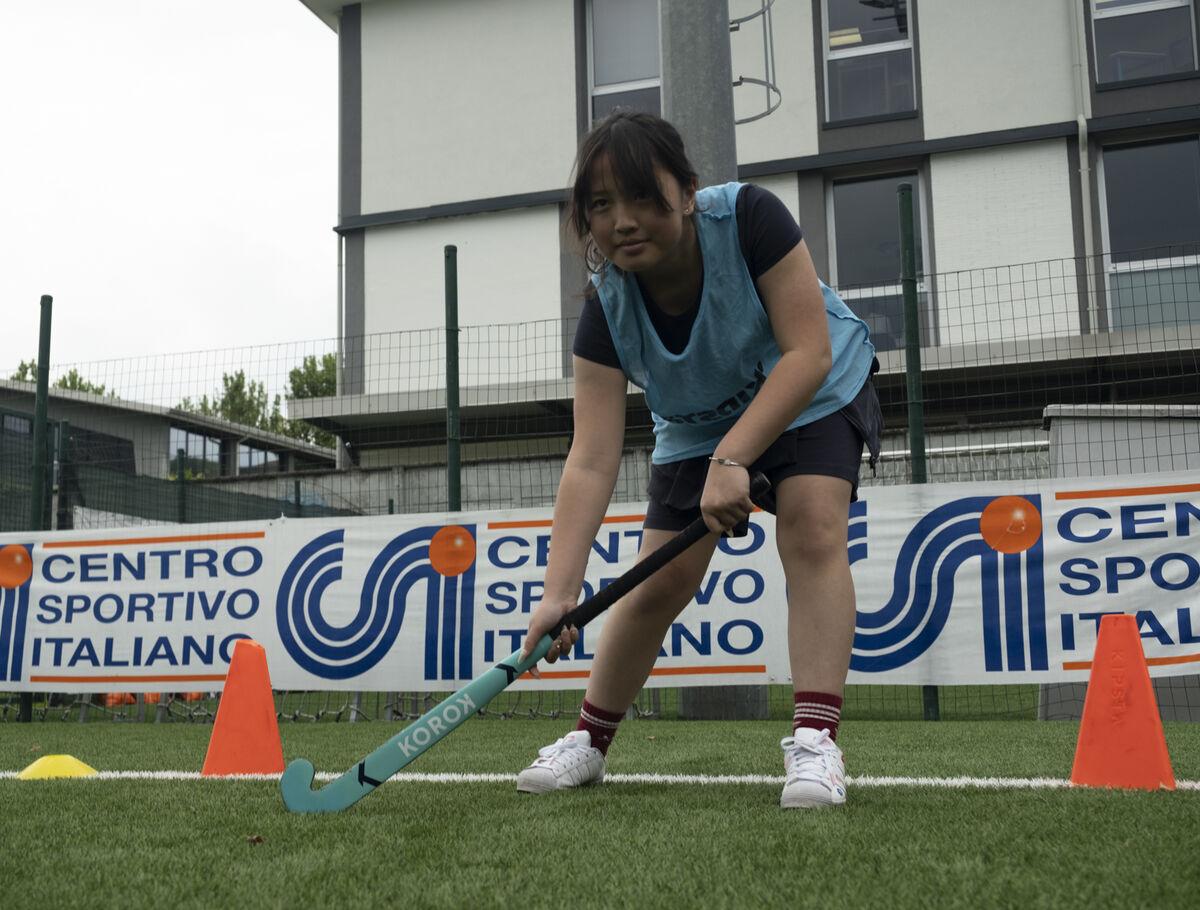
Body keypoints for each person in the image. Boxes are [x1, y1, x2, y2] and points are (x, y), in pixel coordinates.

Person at [516, 111, 881, 809]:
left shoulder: (750, 220)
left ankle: (815, 744)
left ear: (686, 191)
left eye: (641, 197)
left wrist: (736, 455)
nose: (622, 221)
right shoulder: (605, 311)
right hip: (694, 425)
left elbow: (808, 352)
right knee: (657, 584)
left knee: (809, 525)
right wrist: (559, 593)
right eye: (600, 206)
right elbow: (591, 458)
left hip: (811, 389)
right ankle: (589, 742)